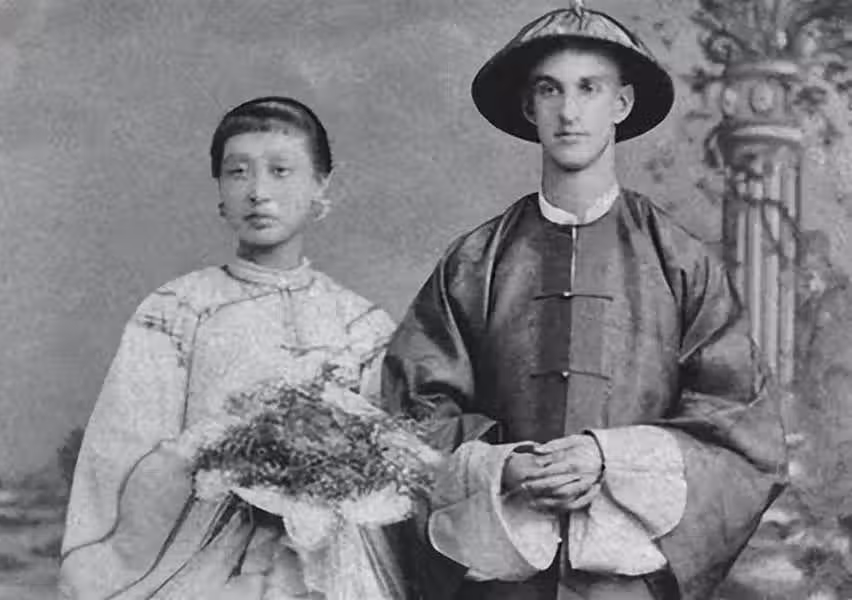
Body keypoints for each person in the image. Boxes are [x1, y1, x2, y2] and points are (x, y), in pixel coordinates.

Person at [381, 3, 787, 600]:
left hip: (625, 584)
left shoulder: (680, 260)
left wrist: (611, 459)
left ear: (621, 104)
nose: (569, 112)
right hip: (501, 581)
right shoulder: (474, 262)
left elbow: (739, 430)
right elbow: (410, 413)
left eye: (589, 89)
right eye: (550, 90)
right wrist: (504, 466)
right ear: (529, 107)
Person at [59, 97, 399, 599]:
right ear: (219, 188)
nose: (258, 192)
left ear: (320, 185)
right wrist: (222, 452)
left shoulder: (360, 324)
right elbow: (119, 453)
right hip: (200, 555)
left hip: (334, 559)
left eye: (281, 171)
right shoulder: (178, 309)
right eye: (237, 172)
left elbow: (389, 451)